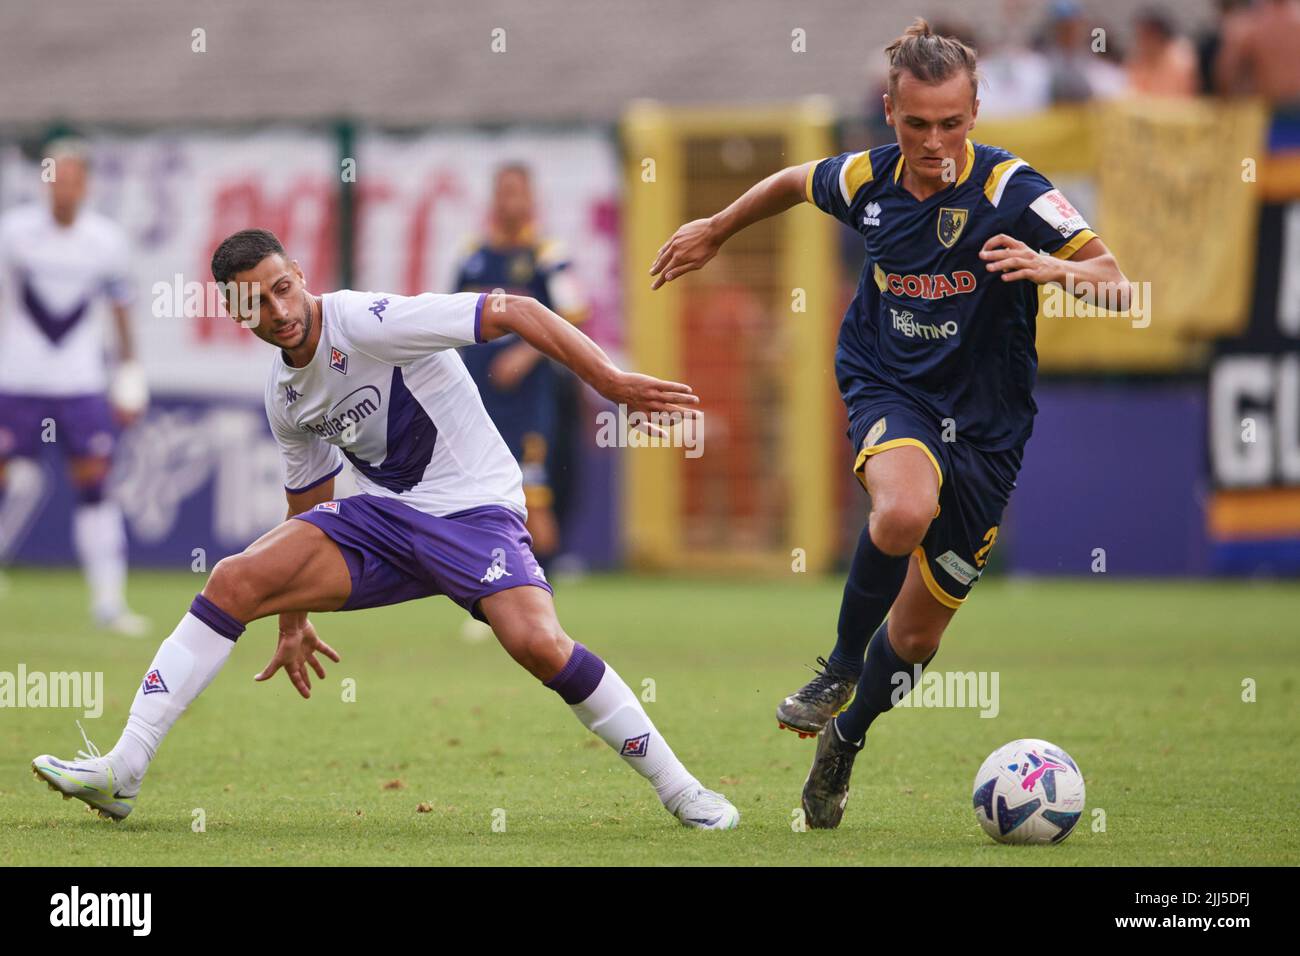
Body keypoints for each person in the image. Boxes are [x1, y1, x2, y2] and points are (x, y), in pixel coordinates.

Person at [32, 228, 739, 831]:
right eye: (258, 300)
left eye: (284, 287)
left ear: (300, 276)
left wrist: (610, 383)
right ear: (236, 312)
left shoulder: (366, 320)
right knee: (235, 579)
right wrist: (289, 616)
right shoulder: (285, 396)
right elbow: (307, 506)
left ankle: (682, 790)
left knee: (537, 644)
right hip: (391, 519)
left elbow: (517, 309)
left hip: (474, 507)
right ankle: (122, 771)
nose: (279, 310)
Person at [650, 19, 1131, 829]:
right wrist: (715, 230)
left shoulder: (1015, 191)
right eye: (916, 124)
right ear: (889, 110)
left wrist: (1052, 267)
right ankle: (836, 666)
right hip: (887, 385)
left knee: (914, 636)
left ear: (976, 109)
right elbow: (791, 181)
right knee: (902, 510)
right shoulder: (866, 180)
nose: (935, 141)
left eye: (951, 122)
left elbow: (1118, 285)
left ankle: (845, 737)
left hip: (986, 429)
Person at [0, 137, 149, 635]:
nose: (62, 187)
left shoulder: (106, 241)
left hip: (79, 385)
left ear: (86, 184)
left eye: (72, 178)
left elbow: (120, 309)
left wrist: (129, 376)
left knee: (94, 483)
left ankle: (109, 601)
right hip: (16, 382)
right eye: (54, 177)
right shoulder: (14, 233)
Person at [454, 163, 587, 564]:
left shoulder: (547, 256)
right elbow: (449, 315)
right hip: (479, 398)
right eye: (503, 192)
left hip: (528, 403)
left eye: (518, 192)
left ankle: (540, 597)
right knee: (483, 501)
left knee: (535, 503)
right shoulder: (472, 257)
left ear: (532, 200)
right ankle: (496, 595)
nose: (510, 201)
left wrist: (526, 351)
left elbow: (575, 312)